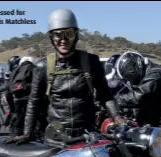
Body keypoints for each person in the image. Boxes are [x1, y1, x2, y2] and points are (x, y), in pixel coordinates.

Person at [7, 8, 124, 145]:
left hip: (86, 134)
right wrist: (27, 133)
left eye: (69, 34)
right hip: (56, 138)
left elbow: (105, 95)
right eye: (58, 35)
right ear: (51, 37)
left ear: (76, 35)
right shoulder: (42, 66)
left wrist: (117, 117)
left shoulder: (91, 61)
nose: (63, 40)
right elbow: (34, 103)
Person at [113, 50, 161, 149]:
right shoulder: (148, 74)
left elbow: (140, 96)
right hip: (159, 123)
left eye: (131, 76)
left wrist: (113, 101)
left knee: (141, 151)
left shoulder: (155, 75)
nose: (131, 80)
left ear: (137, 66)